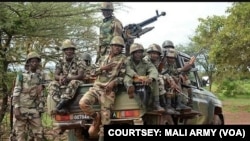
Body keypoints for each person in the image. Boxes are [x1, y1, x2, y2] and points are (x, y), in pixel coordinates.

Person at [79, 36, 127, 141]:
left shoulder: (123, 59)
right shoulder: (102, 58)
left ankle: (101, 137)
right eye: (115, 46)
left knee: (106, 120)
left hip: (108, 91)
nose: (117, 48)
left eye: (120, 46)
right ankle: (96, 117)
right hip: (96, 88)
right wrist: (102, 68)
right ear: (111, 46)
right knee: (83, 103)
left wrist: (114, 82)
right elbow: (90, 72)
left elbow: (124, 77)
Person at [12, 51, 45, 141]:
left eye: (36, 61)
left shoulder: (41, 75)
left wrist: (43, 85)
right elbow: (16, 90)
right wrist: (16, 107)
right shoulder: (21, 74)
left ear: (38, 63)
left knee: (39, 133)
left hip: (34, 108)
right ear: (28, 62)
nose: (34, 63)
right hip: (22, 107)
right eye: (32, 61)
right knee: (19, 134)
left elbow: (49, 83)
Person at [123, 43, 165, 113]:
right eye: (136, 52)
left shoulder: (145, 62)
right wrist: (135, 75)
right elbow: (128, 69)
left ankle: (156, 103)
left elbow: (153, 70)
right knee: (127, 77)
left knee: (155, 80)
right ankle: (130, 88)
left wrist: (151, 78)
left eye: (140, 52)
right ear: (132, 53)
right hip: (132, 78)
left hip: (142, 80)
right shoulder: (128, 61)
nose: (138, 54)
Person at [47, 39, 85, 113]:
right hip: (65, 82)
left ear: (74, 51)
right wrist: (60, 77)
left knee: (73, 82)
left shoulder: (79, 60)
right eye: (67, 50)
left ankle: (58, 107)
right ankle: (62, 105)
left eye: (71, 49)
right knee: (52, 84)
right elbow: (55, 75)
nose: (69, 51)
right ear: (64, 51)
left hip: (77, 82)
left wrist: (68, 78)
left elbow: (80, 76)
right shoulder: (61, 61)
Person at [144, 43, 178, 114]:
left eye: (157, 54)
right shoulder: (146, 60)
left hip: (153, 79)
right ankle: (160, 104)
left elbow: (161, 71)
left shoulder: (156, 61)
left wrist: (171, 80)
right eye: (153, 53)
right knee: (160, 79)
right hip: (147, 79)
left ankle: (168, 105)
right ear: (149, 53)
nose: (155, 55)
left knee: (168, 80)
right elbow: (154, 73)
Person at [162, 40, 196, 108]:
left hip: (172, 78)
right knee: (175, 80)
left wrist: (187, 66)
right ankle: (177, 104)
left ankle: (187, 103)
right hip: (164, 79)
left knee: (187, 82)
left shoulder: (173, 60)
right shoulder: (162, 58)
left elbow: (174, 71)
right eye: (167, 47)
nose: (169, 49)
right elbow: (164, 72)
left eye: (170, 47)